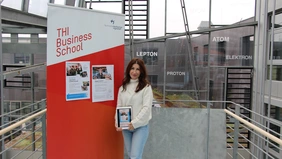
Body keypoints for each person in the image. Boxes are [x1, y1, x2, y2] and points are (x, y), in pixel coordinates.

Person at [115, 58, 153, 159]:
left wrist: (134, 123)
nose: (134, 72)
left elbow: (146, 108)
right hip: (126, 127)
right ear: (128, 70)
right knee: (130, 154)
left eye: (138, 69)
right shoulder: (123, 87)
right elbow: (119, 106)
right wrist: (118, 122)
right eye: (132, 68)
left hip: (140, 127)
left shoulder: (146, 87)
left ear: (141, 72)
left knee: (135, 156)